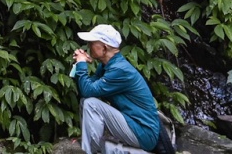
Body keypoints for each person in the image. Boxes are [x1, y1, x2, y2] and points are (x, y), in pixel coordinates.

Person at [70, 23, 164, 154]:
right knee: (86, 101)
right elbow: (87, 88)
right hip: (131, 124)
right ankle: (90, 147)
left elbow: (88, 90)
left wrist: (81, 64)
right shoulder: (106, 66)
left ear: (104, 47)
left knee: (91, 104)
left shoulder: (120, 70)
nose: (88, 45)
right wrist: (80, 65)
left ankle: (89, 151)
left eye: (92, 42)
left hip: (143, 133)